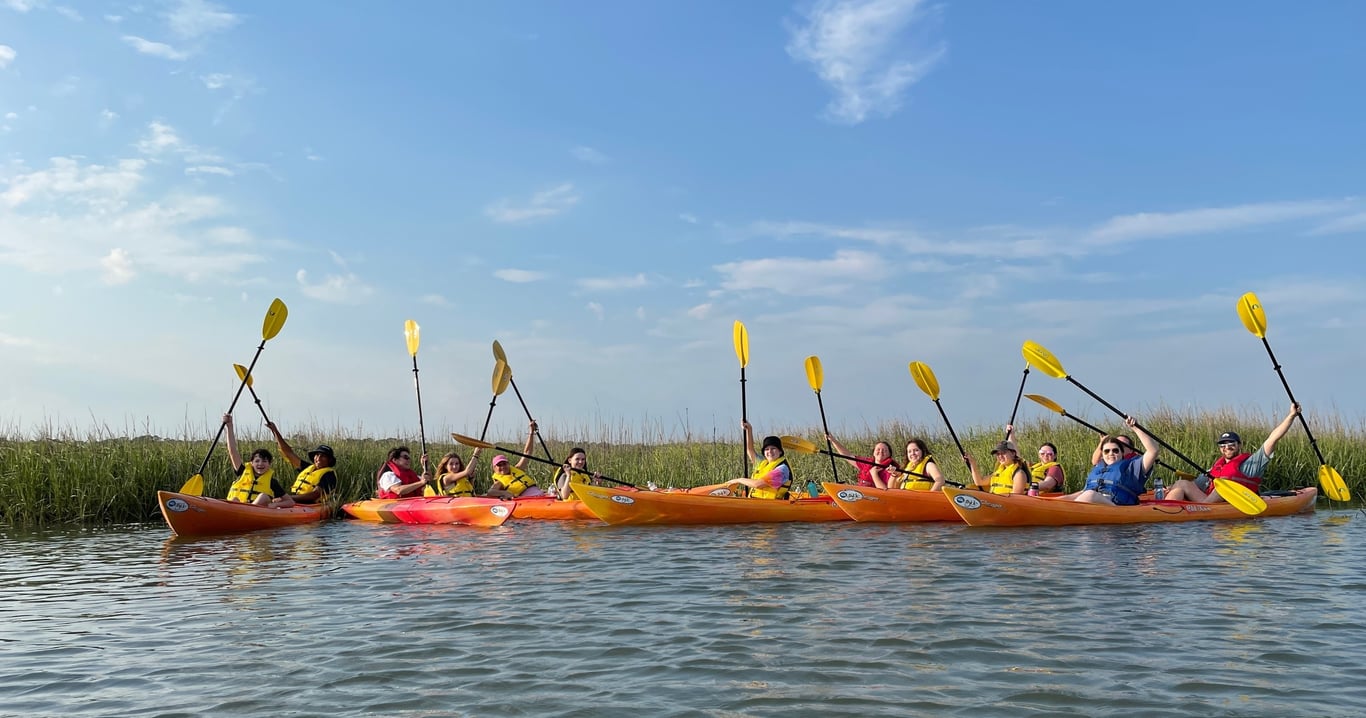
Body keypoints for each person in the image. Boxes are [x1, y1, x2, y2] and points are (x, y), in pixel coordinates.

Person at [1164, 403, 1301, 503]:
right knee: (1182, 483)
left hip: (1224, 504)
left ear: (1239, 445)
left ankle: (1200, 509)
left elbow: (1273, 439)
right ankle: (1168, 510)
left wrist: (1291, 415)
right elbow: (1196, 484)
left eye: (1231, 443)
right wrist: (1171, 488)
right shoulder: (1216, 467)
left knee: (1224, 484)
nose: (1227, 447)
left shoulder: (1251, 464)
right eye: (1223, 444)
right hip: (1206, 503)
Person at [1072, 416, 1159, 505]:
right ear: (1102, 454)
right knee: (1069, 497)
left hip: (1116, 506)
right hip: (1094, 501)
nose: (1111, 453)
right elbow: (1094, 461)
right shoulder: (1099, 466)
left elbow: (1153, 451)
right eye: (1106, 451)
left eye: (1115, 450)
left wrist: (1135, 428)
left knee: (1089, 495)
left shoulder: (1133, 467)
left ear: (1122, 452)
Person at [264, 420, 338, 508]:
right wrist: (275, 431)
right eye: (317, 455)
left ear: (329, 460)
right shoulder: (307, 467)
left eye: (323, 456)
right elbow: (288, 453)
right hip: (292, 502)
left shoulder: (329, 475)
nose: (318, 458)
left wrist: (288, 498)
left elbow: (315, 495)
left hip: (309, 506)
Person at [223, 413, 285, 506]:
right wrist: (229, 426)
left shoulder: (272, 482)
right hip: (237, 508)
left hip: (255, 510)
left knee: (263, 497)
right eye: (257, 461)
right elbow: (232, 450)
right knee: (235, 499)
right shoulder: (242, 471)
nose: (260, 464)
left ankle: (248, 511)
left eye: (264, 461)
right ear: (251, 463)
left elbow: (290, 501)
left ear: (269, 464)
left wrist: (275, 505)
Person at [724, 420, 794, 499]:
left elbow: (757, 484)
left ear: (780, 451)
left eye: (773, 448)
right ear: (764, 453)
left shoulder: (782, 470)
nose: (770, 451)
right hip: (755, 501)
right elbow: (750, 450)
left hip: (770, 506)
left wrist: (738, 480)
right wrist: (749, 429)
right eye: (766, 449)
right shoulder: (762, 463)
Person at [486, 421, 546, 499]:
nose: (503, 467)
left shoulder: (518, 469)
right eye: (499, 465)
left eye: (504, 463)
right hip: (528, 500)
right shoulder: (499, 482)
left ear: (508, 464)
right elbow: (490, 492)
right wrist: (505, 493)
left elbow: (527, 452)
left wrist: (531, 432)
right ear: (494, 468)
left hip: (539, 495)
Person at [1007, 424, 1066, 493]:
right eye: (1042, 453)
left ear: (1055, 455)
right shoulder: (1033, 466)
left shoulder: (1055, 468)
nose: (1045, 455)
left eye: (1049, 453)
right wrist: (1011, 435)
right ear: (1039, 454)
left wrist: (1029, 486)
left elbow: (1048, 484)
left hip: (1041, 499)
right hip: (1027, 495)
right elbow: (1017, 456)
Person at [826, 433, 899, 488]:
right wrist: (833, 440)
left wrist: (874, 474)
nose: (881, 452)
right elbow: (847, 455)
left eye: (885, 450)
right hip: (861, 493)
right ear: (873, 452)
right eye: (878, 449)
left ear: (889, 454)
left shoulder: (891, 469)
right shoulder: (866, 462)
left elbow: (886, 491)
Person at [965, 440, 1030, 495]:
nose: (1000, 456)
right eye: (998, 454)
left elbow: (1016, 496)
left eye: (1003, 453)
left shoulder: (1019, 474)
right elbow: (979, 482)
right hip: (995, 504)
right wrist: (972, 462)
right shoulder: (999, 472)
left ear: (1013, 453)